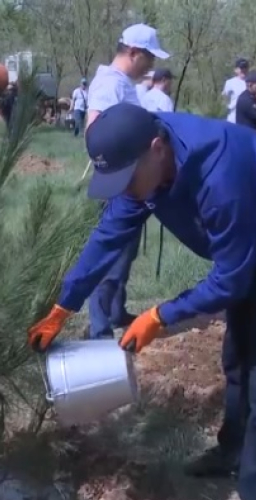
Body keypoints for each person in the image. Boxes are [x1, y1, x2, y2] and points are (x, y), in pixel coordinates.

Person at [27, 103, 256, 500]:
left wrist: (160, 316)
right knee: (238, 359)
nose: (124, 190)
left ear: (157, 148)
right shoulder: (141, 168)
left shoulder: (220, 174)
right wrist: (64, 306)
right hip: (245, 248)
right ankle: (233, 452)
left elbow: (231, 279)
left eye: (127, 180)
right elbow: (108, 235)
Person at [85, 23, 169, 340]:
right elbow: (96, 134)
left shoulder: (124, 83)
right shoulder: (109, 84)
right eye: (149, 57)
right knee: (113, 254)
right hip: (119, 181)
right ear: (134, 52)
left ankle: (116, 310)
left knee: (126, 252)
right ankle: (99, 326)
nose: (151, 65)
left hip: (132, 179)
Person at [222, 58, 249, 123]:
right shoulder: (230, 82)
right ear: (236, 70)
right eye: (241, 68)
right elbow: (224, 98)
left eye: (245, 67)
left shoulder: (251, 83)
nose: (243, 70)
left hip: (247, 118)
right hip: (233, 117)